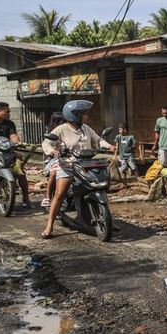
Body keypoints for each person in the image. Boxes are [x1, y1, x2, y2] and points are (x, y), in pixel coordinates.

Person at [41, 100, 114, 239]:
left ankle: (108, 218)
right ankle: (49, 225)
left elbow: (98, 140)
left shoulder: (86, 128)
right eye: (84, 114)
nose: (87, 116)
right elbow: (47, 142)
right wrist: (51, 151)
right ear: (74, 115)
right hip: (68, 165)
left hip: (86, 164)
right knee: (60, 193)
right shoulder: (61, 129)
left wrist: (108, 146)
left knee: (100, 186)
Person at [0, 102, 33, 207]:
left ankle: (26, 198)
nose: (9, 113)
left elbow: (13, 136)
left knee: (20, 172)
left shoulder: (9, 124)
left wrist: (17, 143)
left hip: (6, 152)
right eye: (7, 111)